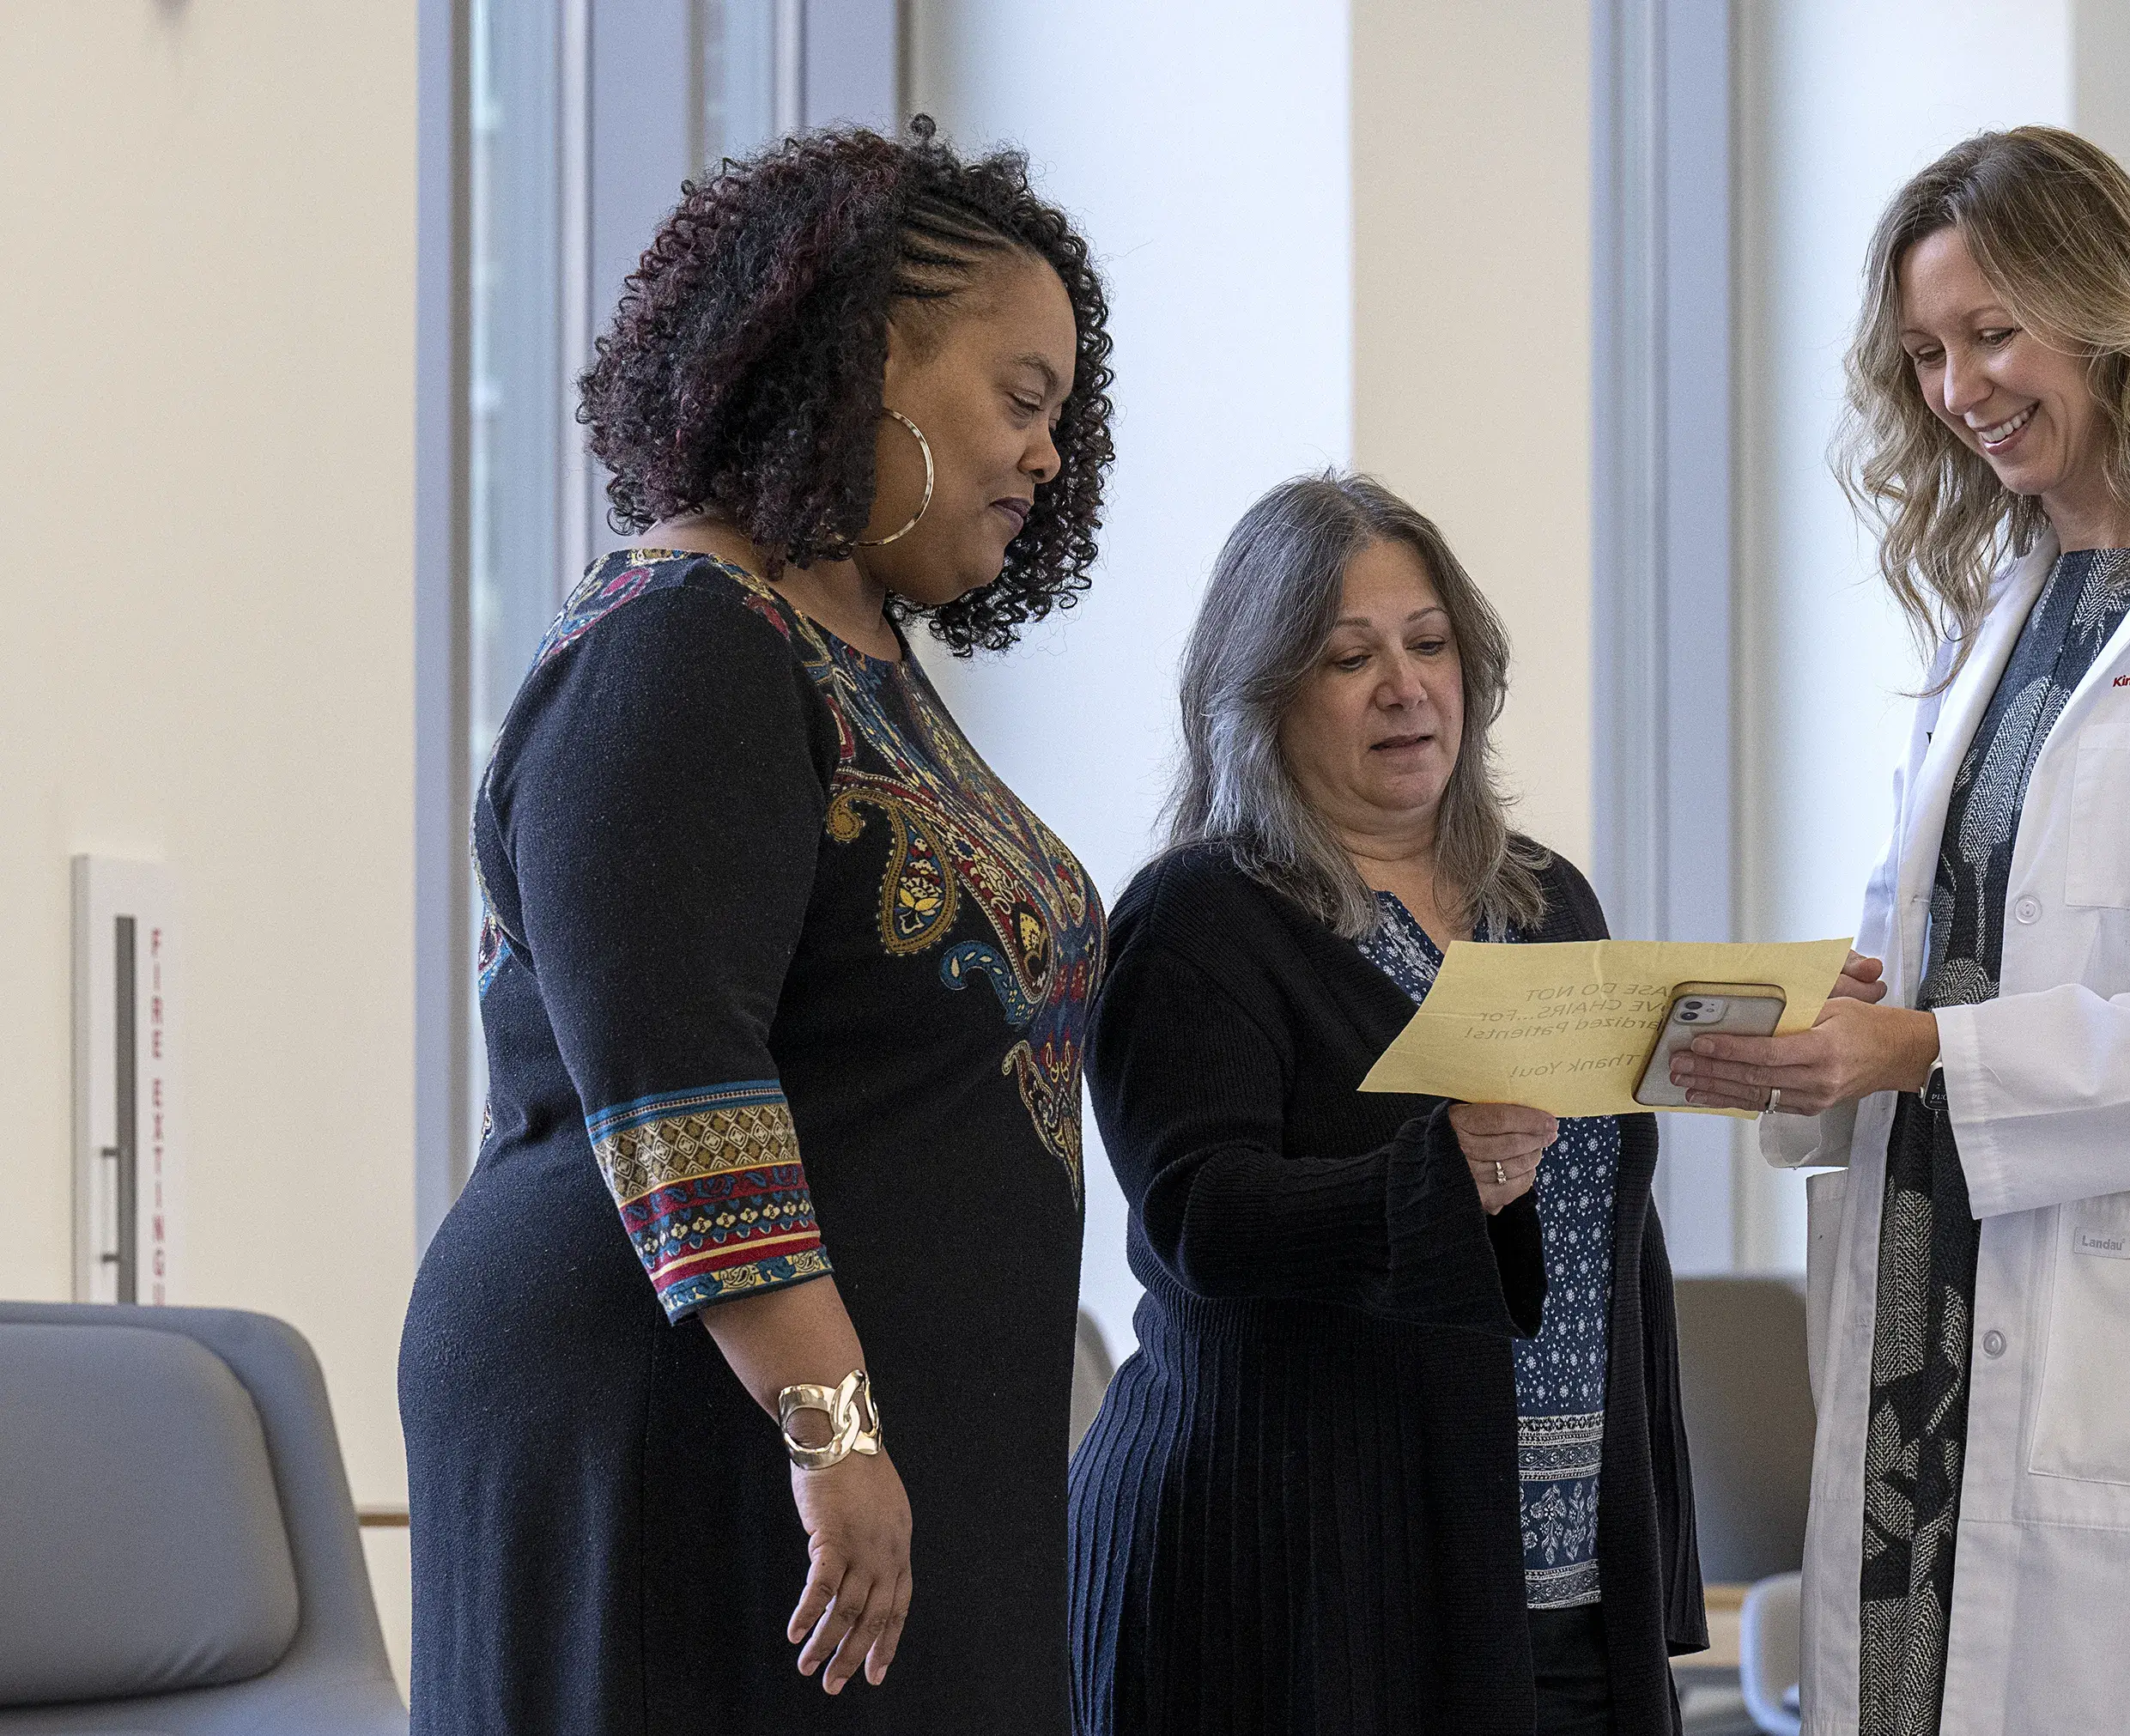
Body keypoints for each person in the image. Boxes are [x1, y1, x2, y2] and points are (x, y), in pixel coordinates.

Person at [1669, 127, 2130, 1733]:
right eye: (1927, 350)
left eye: (1992, 332)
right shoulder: (1990, 620)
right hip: (1933, 1300)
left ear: (2113, 316)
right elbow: (1940, 957)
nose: (1956, 387)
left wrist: (1923, 1043)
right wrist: (1817, 1044)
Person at [400, 119, 1114, 1734]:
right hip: (690, 1431)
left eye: (1062, 416)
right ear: (861, 360)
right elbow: (676, 1075)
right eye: (1020, 399)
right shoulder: (687, 644)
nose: (1046, 457)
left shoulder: (846, 649)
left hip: (868, 1441)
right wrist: (831, 1426)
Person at [1069, 472, 1704, 1735]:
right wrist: (1429, 1177)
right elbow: (1195, 1213)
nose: (1404, 686)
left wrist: (1657, 1560)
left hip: (1564, 1583)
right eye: (1346, 657)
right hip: (1293, 1575)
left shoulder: (1544, 900)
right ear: (1261, 698)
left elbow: (1615, 1251)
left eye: (1428, 645)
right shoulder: (1199, 917)